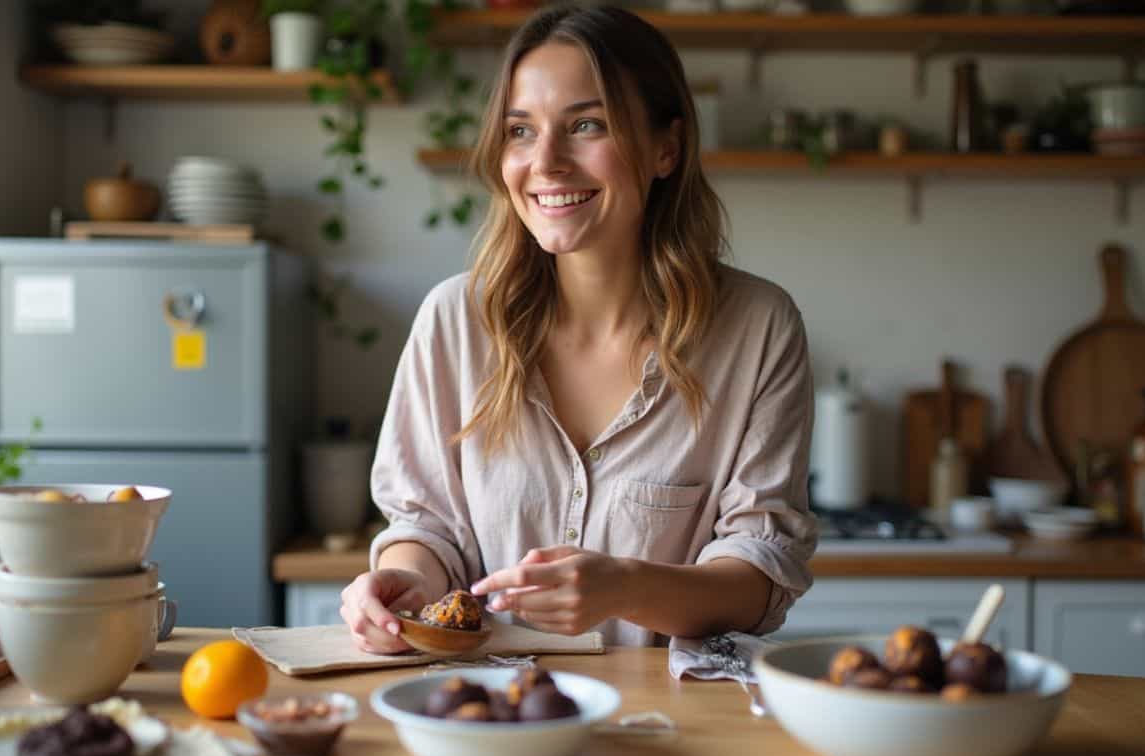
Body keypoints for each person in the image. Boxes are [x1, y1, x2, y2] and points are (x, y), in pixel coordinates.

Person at [340, 3, 818, 651]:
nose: (547, 162)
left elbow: (762, 574)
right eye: (520, 131)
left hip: (672, 727)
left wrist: (624, 587)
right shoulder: (454, 323)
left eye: (587, 124)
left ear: (665, 148)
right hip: (483, 720)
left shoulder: (759, 329)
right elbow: (427, 529)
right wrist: (402, 585)